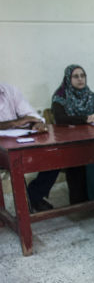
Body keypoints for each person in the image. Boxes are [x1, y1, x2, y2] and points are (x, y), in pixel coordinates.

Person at [52, 64, 94, 204]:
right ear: (68, 79)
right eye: (75, 76)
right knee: (79, 160)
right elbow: (60, 119)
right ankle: (83, 202)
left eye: (83, 76)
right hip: (72, 143)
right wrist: (86, 118)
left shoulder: (90, 95)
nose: (80, 79)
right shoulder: (60, 97)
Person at [0, 83, 59, 212]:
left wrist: (37, 122)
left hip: (15, 142)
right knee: (15, 162)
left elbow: (30, 113)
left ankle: (33, 196)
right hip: (3, 149)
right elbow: (17, 122)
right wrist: (14, 123)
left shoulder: (9, 90)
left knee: (54, 155)